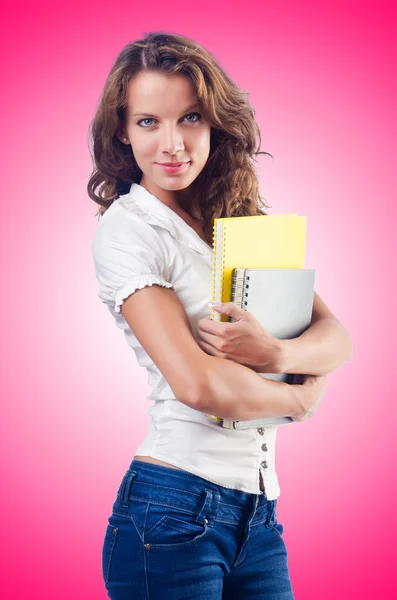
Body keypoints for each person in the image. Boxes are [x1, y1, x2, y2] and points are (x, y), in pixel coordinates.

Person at [88, 32, 345, 599]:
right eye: (149, 122)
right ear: (122, 132)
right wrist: (298, 399)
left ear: (215, 125)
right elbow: (197, 384)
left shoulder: (238, 219)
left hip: (259, 514)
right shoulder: (129, 230)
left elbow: (336, 338)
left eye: (191, 118)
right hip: (171, 511)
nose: (173, 144)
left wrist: (278, 354)